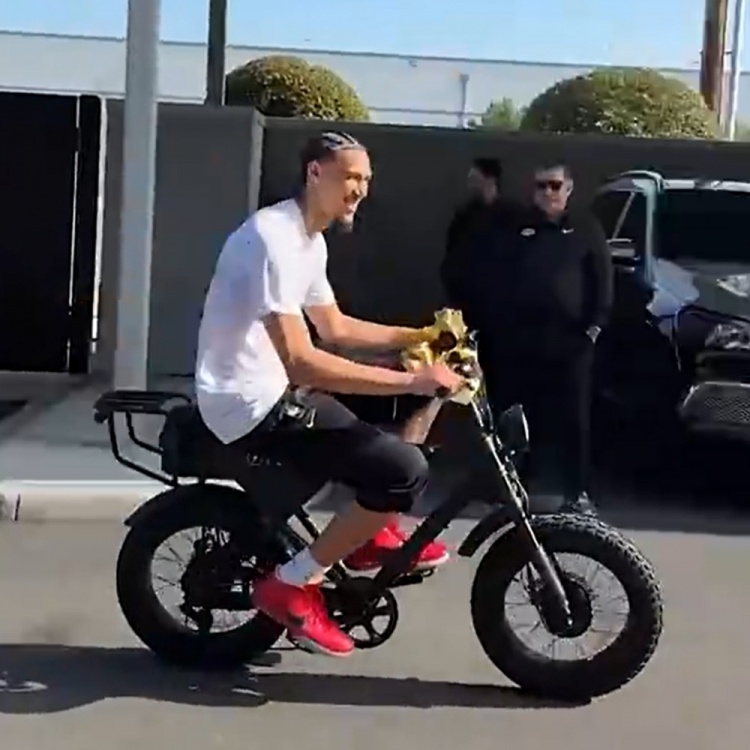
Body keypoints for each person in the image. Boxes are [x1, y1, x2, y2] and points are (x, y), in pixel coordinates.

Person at [194, 131, 464, 658]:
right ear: (315, 173)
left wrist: (421, 338)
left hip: (275, 385)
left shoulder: (309, 240)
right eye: (350, 177)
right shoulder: (270, 238)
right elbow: (302, 359)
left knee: (394, 416)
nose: (359, 189)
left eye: (366, 179)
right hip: (248, 401)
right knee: (402, 469)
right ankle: (292, 583)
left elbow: (335, 328)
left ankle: (364, 534)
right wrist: (413, 379)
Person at [461, 163, 613, 516]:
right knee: (516, 417)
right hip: (521, 341)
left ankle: (577, 492)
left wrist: (594, 327)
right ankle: (514, 489)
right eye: (540, 186)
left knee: (574, 419)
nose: (547, 193)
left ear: (569, 188)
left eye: (554, 185)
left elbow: (602, 279)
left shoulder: (586, 228)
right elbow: (496, 276)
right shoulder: (516, 226)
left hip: (571, 343)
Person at [440, 157, 519, 320]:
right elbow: (453, 254)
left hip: (503, 302)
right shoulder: (465, 216)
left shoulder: (512, 216)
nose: (471, 183)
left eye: (475, 178)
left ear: (490, 179)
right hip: (469, 301)